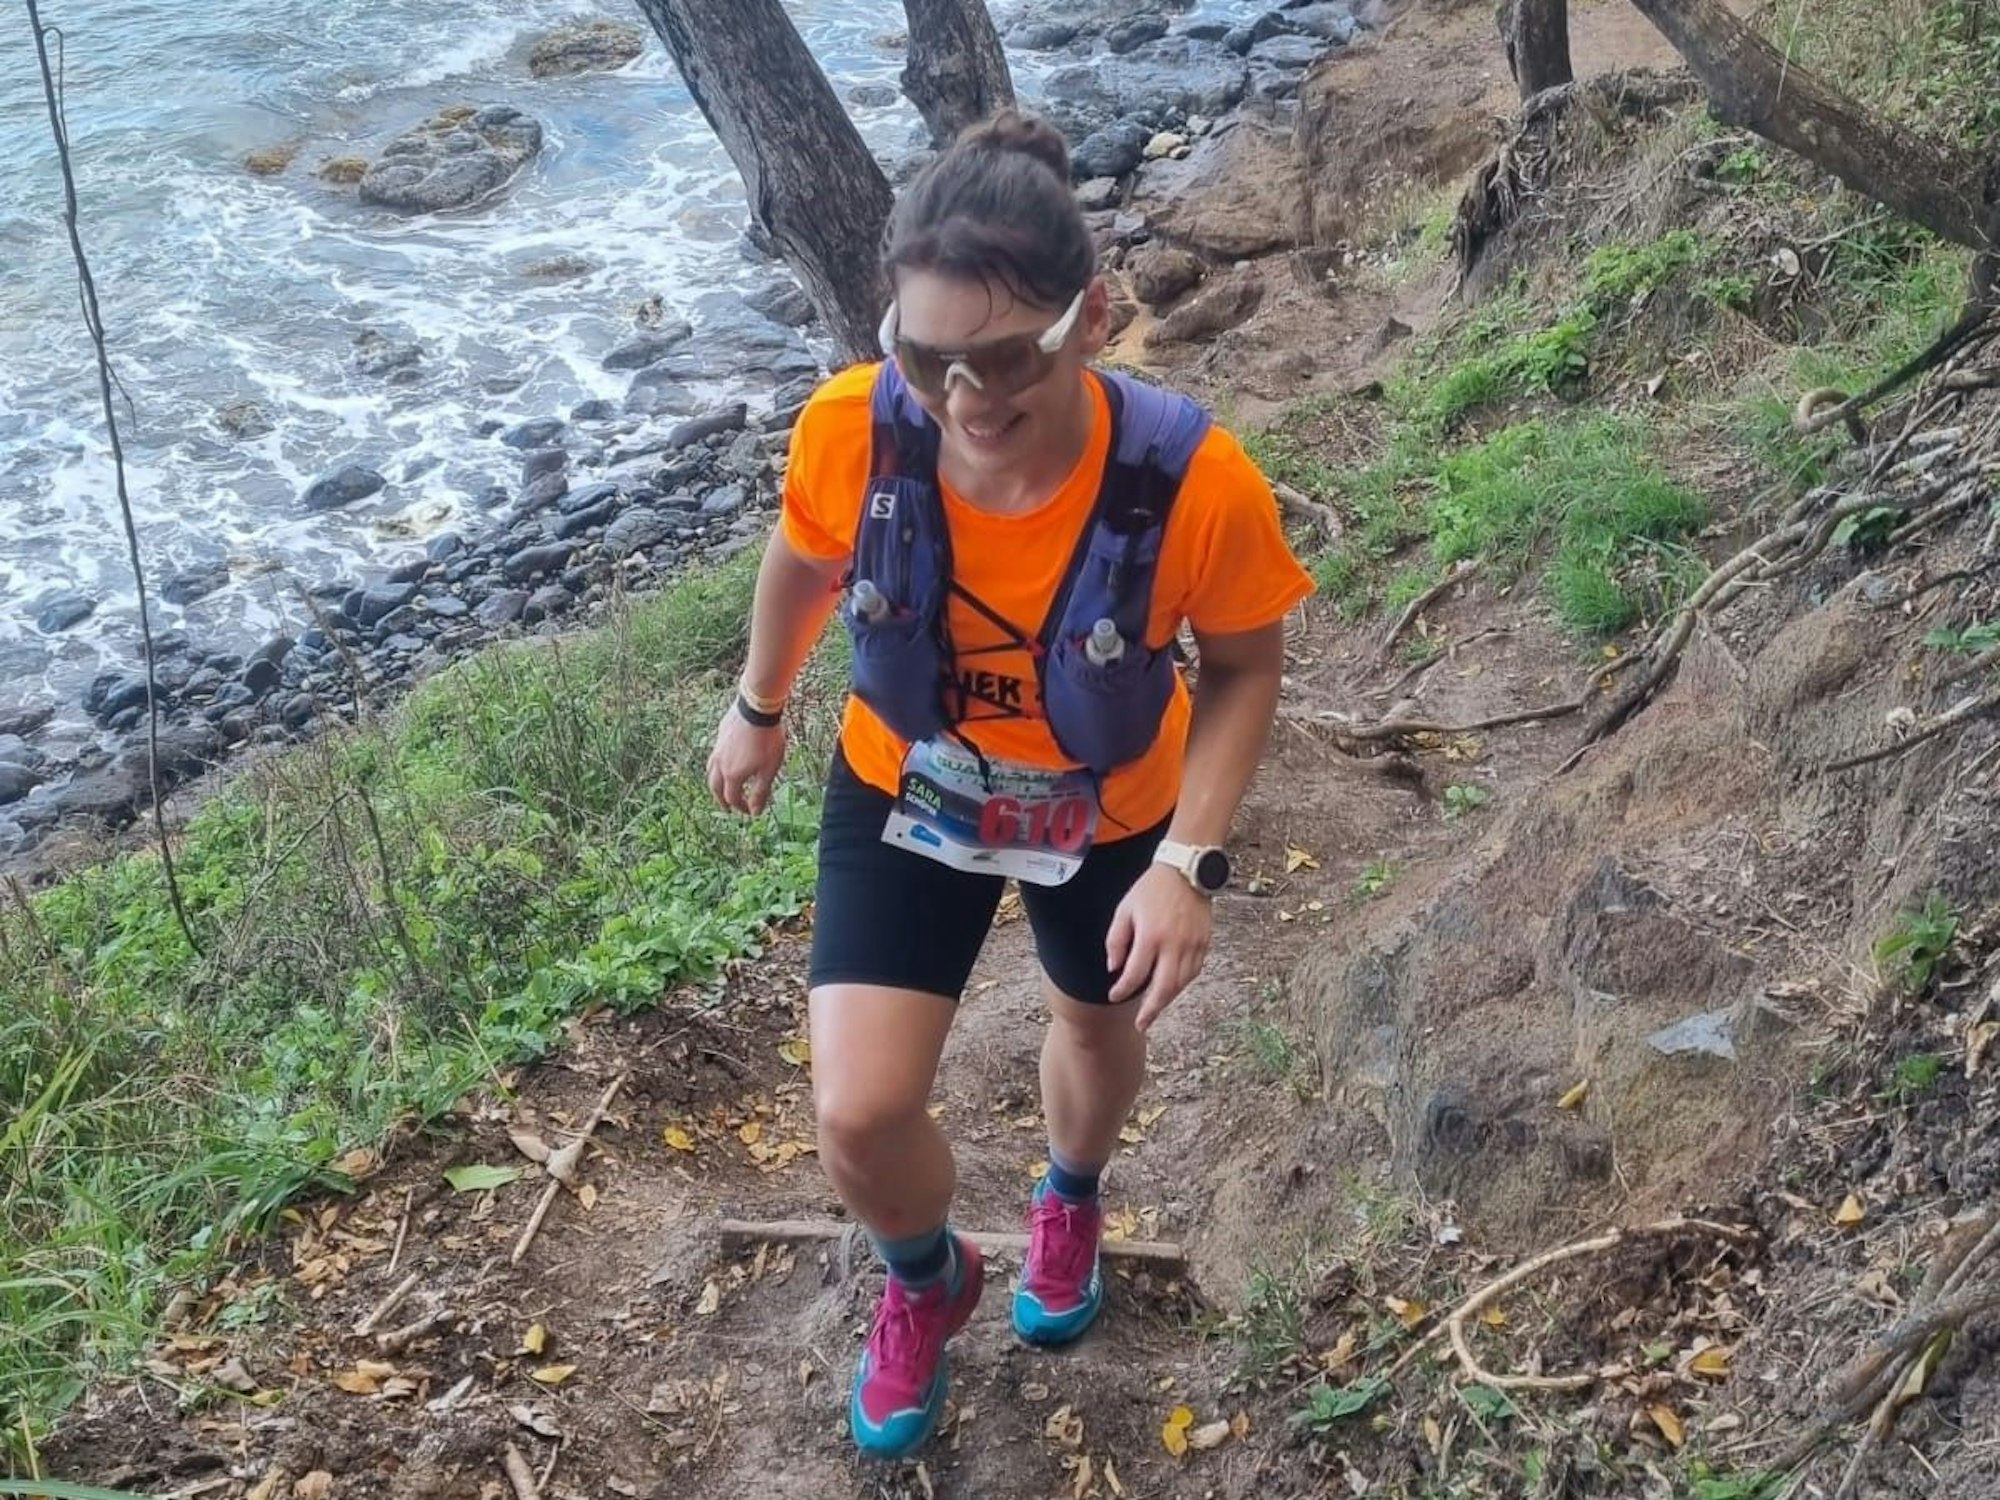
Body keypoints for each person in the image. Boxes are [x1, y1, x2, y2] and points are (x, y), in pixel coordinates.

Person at [705, 108, 1315, 1461]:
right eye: (926, 357)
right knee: (858, 1112)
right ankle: (929, 1276)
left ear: (1091, 317)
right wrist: (760, 702)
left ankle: (1071, 1194)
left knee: (1093, 1026)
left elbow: (1245, 663)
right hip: (907, 785)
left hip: (1106, 808)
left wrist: (1187, 862)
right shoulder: (853, 431)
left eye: (1005, 356)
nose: (967, 396)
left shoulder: (1189, 478)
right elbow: (807, 559)